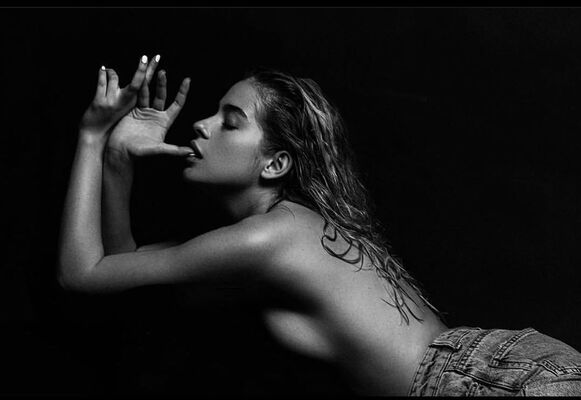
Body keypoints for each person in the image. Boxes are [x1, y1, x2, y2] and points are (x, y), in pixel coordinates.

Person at [58, 54, 581, 396]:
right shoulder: (276, 236)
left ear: (275, 164)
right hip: (502, 371)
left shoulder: (270, 236)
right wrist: (119, 160)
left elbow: (81, 274)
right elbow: (124, 275)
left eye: (230, 121)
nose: (201, 123)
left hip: (491, 380)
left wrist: (91, 138)